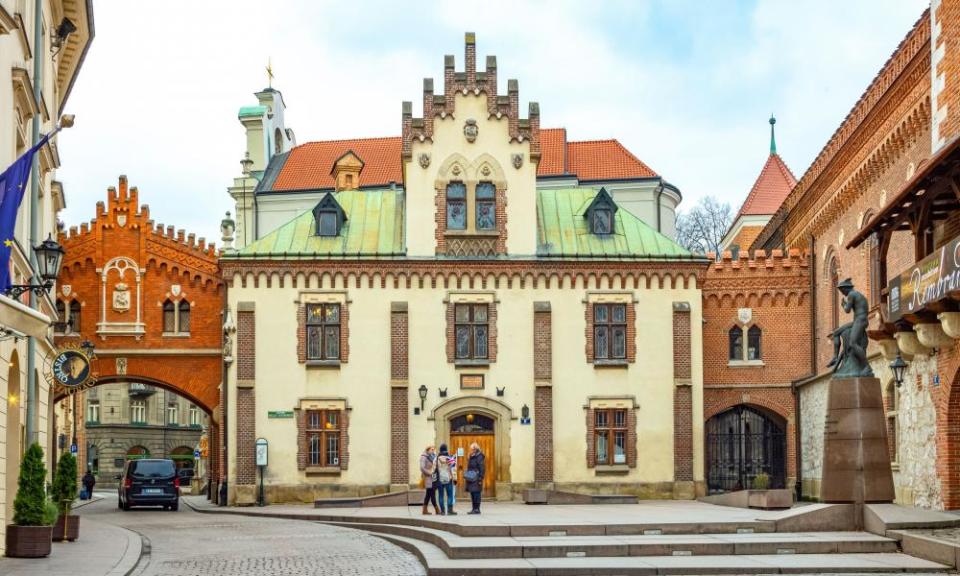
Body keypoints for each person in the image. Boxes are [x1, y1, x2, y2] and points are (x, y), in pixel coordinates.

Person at [436, 444, 457, 515]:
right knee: (450, 495)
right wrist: (455, 479)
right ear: (446, 449)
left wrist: (434, 480)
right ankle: (450, 510)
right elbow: (453, 469)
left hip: (439, 479)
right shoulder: (450, 458)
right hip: (449, 479)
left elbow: (433, 470)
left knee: (441, 495)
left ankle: (442, 511)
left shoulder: (436, 459)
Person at [419, 445, 440, 515]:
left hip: (433, 477)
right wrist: (429, 473)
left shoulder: (433, 457)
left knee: (428, 494)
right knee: (432, 493)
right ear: (427, 450)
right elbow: (422, 467)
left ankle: (424, 510)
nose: (433, 451)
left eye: (434, 449)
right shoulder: (424, 457)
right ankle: (437, 509)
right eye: (432, 449)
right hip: (428, 477)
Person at [465, 442, 485, 515]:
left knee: (477, 493)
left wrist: (480, 478)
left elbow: (482, 468)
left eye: (472, 449)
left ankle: (477, 509)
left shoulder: (479, 456)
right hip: (471, 477)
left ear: (475, 449)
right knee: (473, 493)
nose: (471, 450)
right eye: (471, 449)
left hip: (476, 477)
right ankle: (474, 508)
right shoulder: (471, 456)